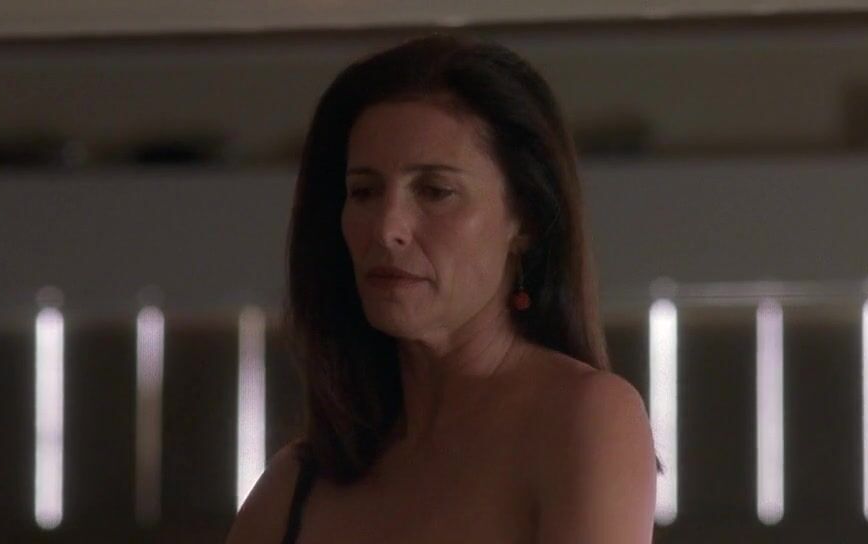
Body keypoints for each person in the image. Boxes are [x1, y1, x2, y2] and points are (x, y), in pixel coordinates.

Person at [226, 33, 656, 543]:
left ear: (526, 219)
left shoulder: (583, 419)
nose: (387, 228)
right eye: (363, 191)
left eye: (435, 191)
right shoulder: (296, 484)